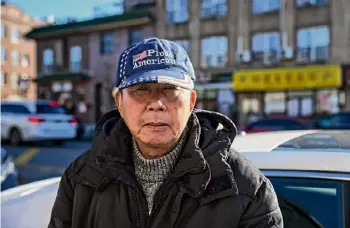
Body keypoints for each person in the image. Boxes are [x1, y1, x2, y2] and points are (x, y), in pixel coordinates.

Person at [48, 37, 283, 228]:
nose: (157, 103)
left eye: (170, 89)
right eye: (141, 89)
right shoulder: (81, 178)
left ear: (191, 102)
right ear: (119, 102)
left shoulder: (247, 187)